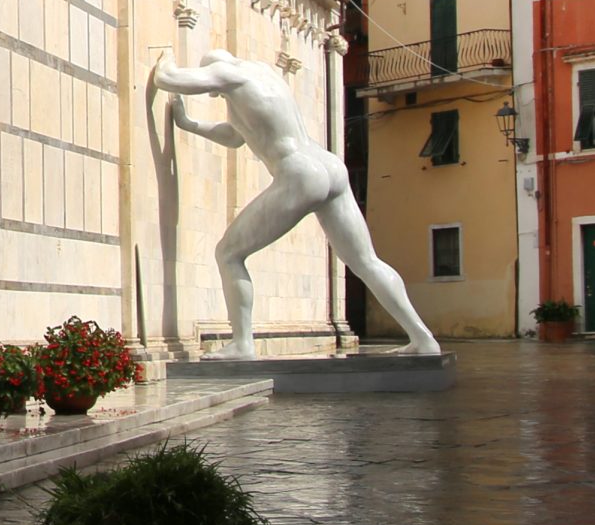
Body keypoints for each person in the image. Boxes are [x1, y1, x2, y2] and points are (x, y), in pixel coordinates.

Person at [155, 48, 441, 357]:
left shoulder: (228, 73)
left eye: (214, 91)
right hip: (329, 167)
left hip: (300, 175)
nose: (215, 95)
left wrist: (164, 55)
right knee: (366, 261)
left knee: (228, 253)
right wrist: (189, 124)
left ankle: (241, 344)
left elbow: (167, 78)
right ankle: (423, 339)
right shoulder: (265, 75)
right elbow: (236, 136)